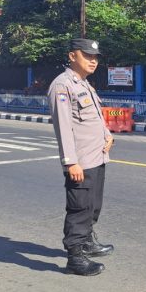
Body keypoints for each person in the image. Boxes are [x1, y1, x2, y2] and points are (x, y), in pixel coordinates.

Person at [48, 38, 115, 276]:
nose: (93, 61)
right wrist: (71, 161)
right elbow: (64, 127)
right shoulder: (62, 86)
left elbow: (95, 116)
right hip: (81, 161)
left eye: (95, 57)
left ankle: (87, 242)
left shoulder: (84, 84)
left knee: (93, 205)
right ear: (72, 56)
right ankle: (75, 257)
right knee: (79, 208)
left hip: (97, 157)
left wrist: (107, 135)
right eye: (87, 56)